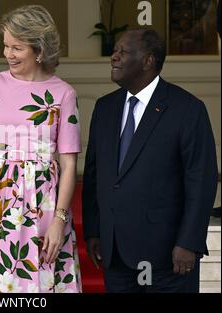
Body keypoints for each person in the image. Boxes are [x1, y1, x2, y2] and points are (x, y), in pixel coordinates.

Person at [0, 5, 82, 293]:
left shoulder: (64, 94)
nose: (8, 54)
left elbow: (69, 165)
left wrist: (59, 219)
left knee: (35, 283)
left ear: (39, 50)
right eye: (6, 46)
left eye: (17, 48)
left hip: (41, 207)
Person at [82, 29, 218, 293]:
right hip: (116, 255)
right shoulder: (104, 108)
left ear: (148, 61)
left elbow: (201, 180)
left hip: (169, 258)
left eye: (123, 51)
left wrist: (189, 242)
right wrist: (94, 231)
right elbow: (94, 175)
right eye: (115, 51)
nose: (114, 57)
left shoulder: (187, 109)